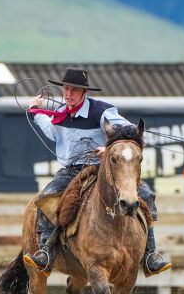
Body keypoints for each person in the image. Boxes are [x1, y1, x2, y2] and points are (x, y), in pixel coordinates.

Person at [22, 68, 171, 277]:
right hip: (71, 171)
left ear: (84, 92)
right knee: (47, 197)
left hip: (103, 169)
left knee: (145, 195)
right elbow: (52, 132)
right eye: (66, 89)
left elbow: (128, 132)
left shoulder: (102, 112)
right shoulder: (60, 115)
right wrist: (34, 111)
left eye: (74, 90)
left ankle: (150, 254)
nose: (68, 94)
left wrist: (109, 148)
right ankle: (45, 252)